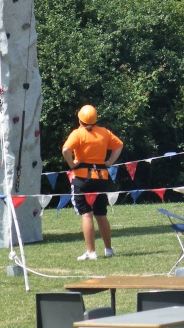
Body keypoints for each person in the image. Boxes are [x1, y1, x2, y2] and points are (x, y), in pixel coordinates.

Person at [62, 104, 123, 260]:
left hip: (82, 179)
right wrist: (109, 161)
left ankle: (91, 252)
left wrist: (72, 164)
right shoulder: (104, 133)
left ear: (80, 119)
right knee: (101, 214)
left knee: (87, 215)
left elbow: (65, 150)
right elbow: (119, 145)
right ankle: (108, 249)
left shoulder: (78, 134)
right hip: (101, 178)